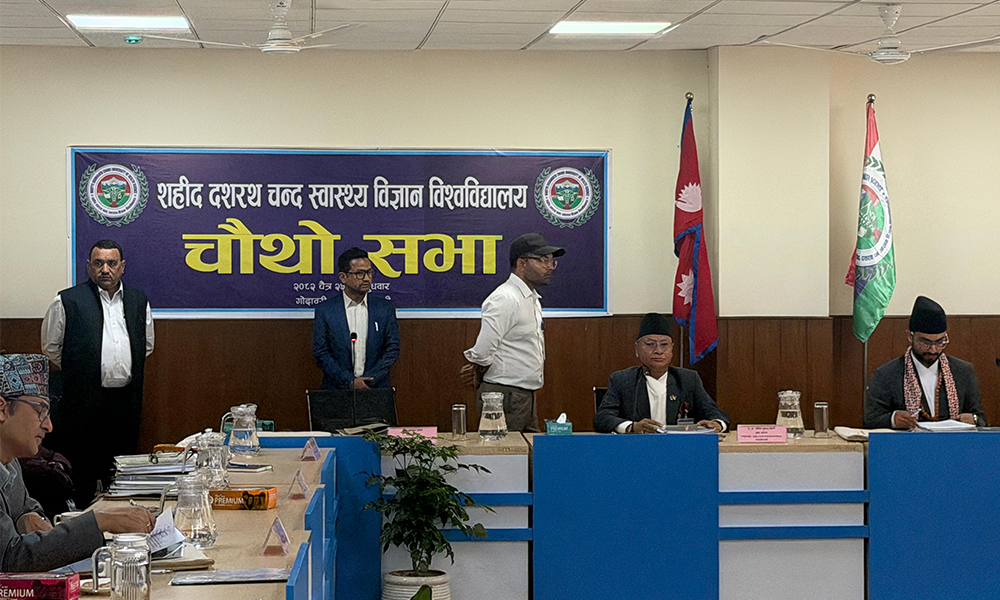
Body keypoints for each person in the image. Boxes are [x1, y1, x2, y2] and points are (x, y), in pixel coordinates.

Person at [0, 353, 155, 572]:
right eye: (40, 411)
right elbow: (10, 558)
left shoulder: (10, 461)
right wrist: (99, 521)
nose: (48, 426)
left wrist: (27, 517)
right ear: (2, 408)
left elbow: (28, 507)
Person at [40, 239, 154, 507]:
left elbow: (146, 346)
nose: (105, 269)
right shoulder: (67, 300)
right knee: (83, 472)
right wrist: (82, 369)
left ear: (122, 266)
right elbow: (51, 347)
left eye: (111, 263)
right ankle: (81, 523)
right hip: (83, 403)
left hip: (125, 402)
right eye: (98, 263)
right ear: (88, 266)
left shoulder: (138, 300)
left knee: (121, 472)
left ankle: (122, 520)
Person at [461, 233, 565, 432]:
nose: (549, 267)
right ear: (521, 263)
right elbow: (484, 349)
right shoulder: (505, 298)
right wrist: (478, 367)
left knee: (528, 450)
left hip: (523, 394)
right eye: (542, 260)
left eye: (551, 261)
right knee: (505, 450)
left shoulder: (530, 297)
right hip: (504, 394)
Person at [864, 296, 987, 430]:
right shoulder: (886, 374)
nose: (933, 349)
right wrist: (892, 419)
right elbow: (870, 420)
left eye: (939, 342)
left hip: (954, 441)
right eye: (925, 342)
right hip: (908, 442)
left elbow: (981, 419)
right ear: (910, 337)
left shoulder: (963, 371)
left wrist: (974, 419)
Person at [594, 313, 729, 434]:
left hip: (677, 447)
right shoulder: (622, 379)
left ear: (671, 349)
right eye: (650, 344)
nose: (658, 351)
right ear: (637, 349)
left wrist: (717, 424)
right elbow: (602, 417)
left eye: (664, 345)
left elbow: (715, 413)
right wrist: (632, 427)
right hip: (637, 447)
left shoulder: (688, 379)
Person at [313, 247, 400, 390]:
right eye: (360, 273)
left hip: (375, 389)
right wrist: (349, 381)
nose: (367, 278)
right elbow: (321, 352)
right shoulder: (326, 310)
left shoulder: (384, 308)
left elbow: (392, 348)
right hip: (338, 390)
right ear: (343, 277)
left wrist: (371, 380)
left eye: (369, 272)